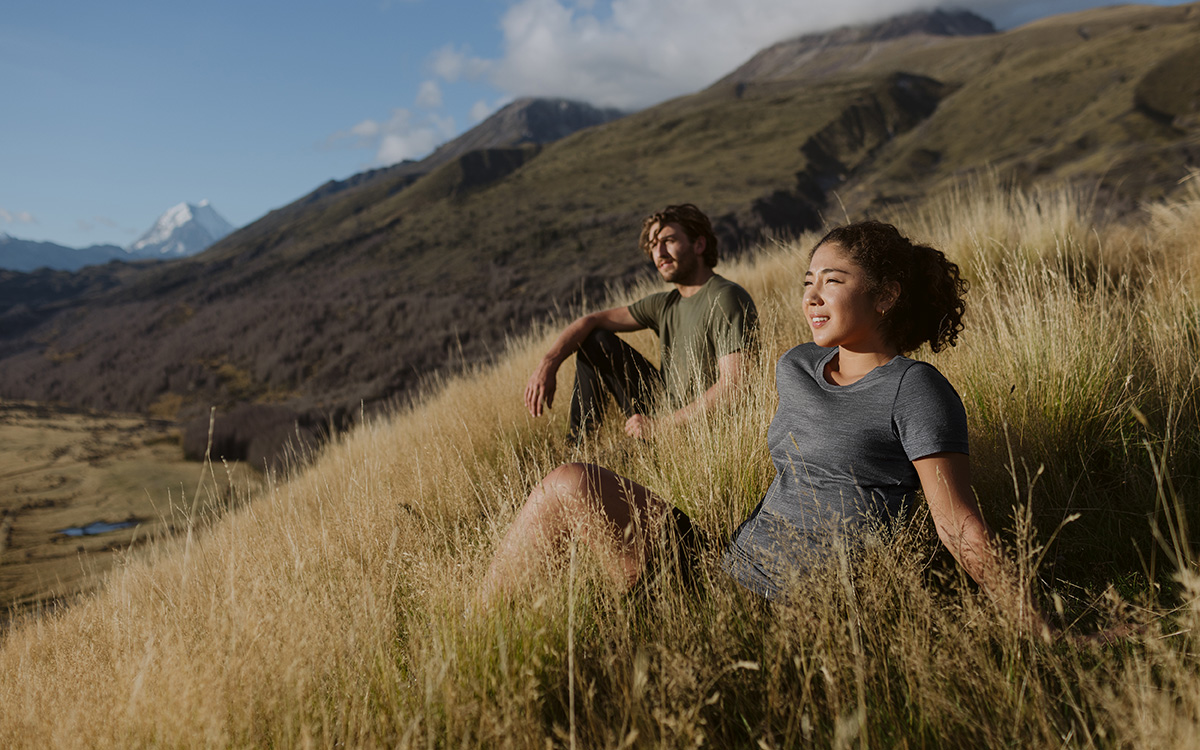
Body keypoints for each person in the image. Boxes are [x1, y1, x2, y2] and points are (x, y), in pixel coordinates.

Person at [486, 220, 1045, 631]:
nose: (812, 295)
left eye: (832, 281)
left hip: (784, 607)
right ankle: (481, 635)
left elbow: (958, 524)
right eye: (808, 282)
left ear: (887, 295)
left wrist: (1038, 626)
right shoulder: (797, 365)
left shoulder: (915, 388)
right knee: (568, 483)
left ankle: (646, 626)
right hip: (722, 566)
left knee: (628, 624)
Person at [524, 203, 757, 443]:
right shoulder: (666, 304)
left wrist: (661, 426)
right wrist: (548, 363)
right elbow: (590, 320)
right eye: (653, 246)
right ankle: (578, 447)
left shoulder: (724, 297)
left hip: (698, 431)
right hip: (661, 412)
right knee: (595, 341)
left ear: (699, 244)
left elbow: (735, 386)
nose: (660, 253)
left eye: (668, 240)